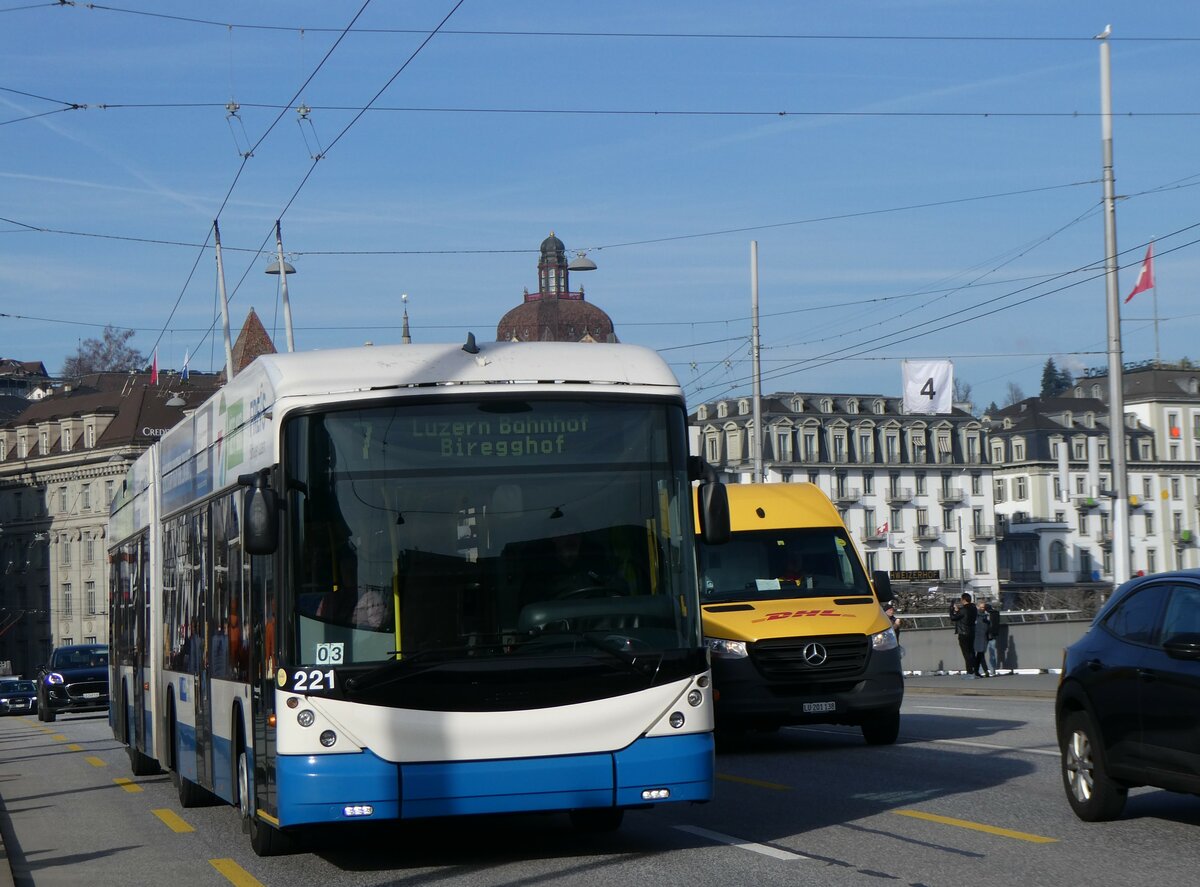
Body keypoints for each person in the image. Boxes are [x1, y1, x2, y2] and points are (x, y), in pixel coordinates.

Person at [949, 591, 977, 677]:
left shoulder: (963, 610)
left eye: (961, 599)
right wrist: (958, 611)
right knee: (971, 651)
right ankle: (975, 669)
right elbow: (964, 616)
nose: (961, 601)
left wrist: (951, 610)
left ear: (964, 599)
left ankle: (970, 672)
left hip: (963, 633)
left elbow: (953, 618)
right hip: (972, 632)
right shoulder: (974, 608)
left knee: (966, 653)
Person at [972, 599, 990, 677]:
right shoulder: (975, 615)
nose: (983, 609)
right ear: (977, 607)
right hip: (977, 637)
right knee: (980, 654)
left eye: (983, 607)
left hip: (983, 637)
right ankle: (984, 670)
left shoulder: (986, 615)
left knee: (980, 654)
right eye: (981, 607)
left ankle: (977, 671)